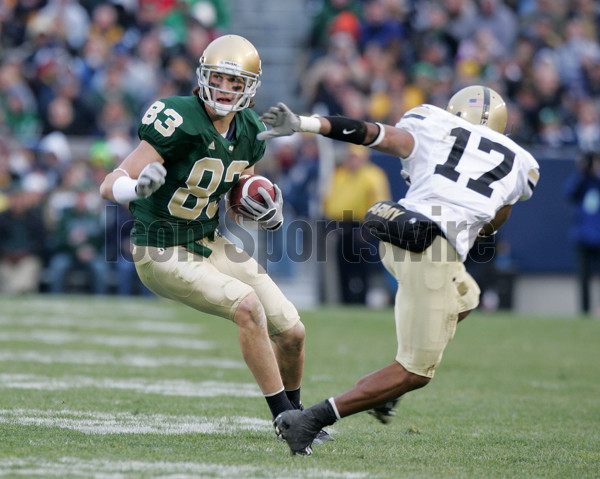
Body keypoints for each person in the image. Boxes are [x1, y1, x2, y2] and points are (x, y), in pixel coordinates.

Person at [257, 85, 540, 455]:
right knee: (414, 372)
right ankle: (310, 420)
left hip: (398, 231)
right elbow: (496, 217)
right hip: (433, 249)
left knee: (467, 296)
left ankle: (382, 390)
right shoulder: (522, 162)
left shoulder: (431, 123)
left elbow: (370, 133)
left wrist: (306, 123)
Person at [99, 34, 332, 443]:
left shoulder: (249, 130)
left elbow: (235, 192)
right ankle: (286, 421)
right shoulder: (178, 117)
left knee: (293, 332)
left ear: (249, 89)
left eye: (235, 82)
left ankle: (299, 415)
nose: (225, 89)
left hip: (209, 242)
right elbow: (109, 183)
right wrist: (136, 189)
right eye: (219, 78)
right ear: (203, 76)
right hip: (161, 247)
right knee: (248, 307)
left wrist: (266, 210)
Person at [322, 143, 392, 304]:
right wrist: (330, 223)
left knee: (363, 269)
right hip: (341, 225)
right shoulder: (340, 175)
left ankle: (361, 301)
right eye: (350, 157)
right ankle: (345, 301)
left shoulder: (373, 175)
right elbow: (330, 200)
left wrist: (369, 229)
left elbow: (380, 202)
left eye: (356, 157)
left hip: (362, 226)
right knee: (343, 267)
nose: (352, 161)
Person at [564, 150, 600, 315]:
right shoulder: (583, 181)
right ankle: (584, 311)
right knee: (584, 278)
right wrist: (583, 172)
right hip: (584, 237)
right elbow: (569, 192)